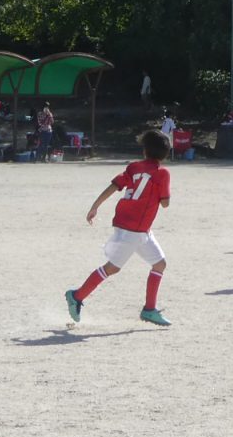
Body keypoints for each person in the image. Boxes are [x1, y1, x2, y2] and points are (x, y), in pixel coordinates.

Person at [64, 128, 174, 327]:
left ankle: (149, 309)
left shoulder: (133, 168)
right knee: (111, 268)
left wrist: (95, 206)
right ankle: (77, 295)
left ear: (145, 150)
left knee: (159, 264)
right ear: (165, 154)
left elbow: (114, 186)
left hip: (136, 228)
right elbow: (165, 203)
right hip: (134, 230)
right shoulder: (162, 173)